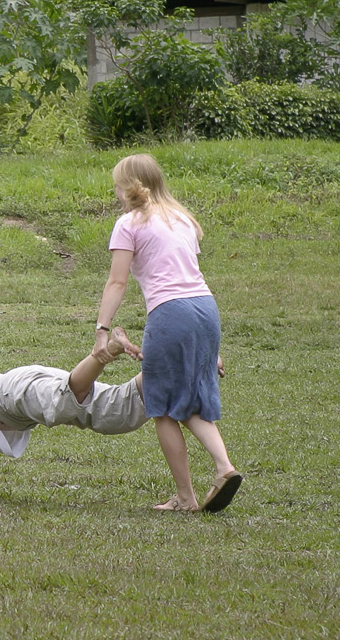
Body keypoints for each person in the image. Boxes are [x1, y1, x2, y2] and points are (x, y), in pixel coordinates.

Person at [96, 153, 241, 513]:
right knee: (189, 397)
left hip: (170, 313)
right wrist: (209, 348)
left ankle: (186, 497)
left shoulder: (128, 223)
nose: (115, 192)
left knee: (161, 405)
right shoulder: (182, 218)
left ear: (130, 186)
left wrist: (102, 330)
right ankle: (223, 467)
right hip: (205, 309)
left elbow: (117, 282)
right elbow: (188, 273)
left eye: (117, 185)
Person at [0, 327, 159, 504]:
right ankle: (158, 372)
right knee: (106, 411)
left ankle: (106, 351)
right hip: (17, 386)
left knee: (69, 397)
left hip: (10, 394)